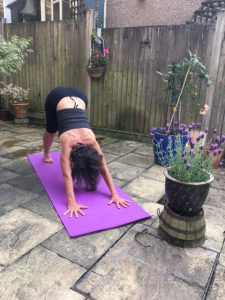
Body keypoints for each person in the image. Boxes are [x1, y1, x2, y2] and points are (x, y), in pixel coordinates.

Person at [43, 86, 130, 218]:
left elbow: (103, 167)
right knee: (51, 129)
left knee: (61, 123)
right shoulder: (68, 144)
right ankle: (46, 154)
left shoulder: (92, 141)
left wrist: (115, 194)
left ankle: (47, 154)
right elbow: (67, 175)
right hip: (56, 97)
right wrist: (72, 202)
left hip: (80, 97)